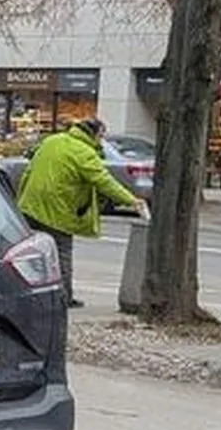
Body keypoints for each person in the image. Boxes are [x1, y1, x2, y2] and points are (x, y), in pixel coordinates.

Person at [14, 115, 146, 307]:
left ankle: (30, 293)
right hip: (57, 210)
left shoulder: (52, 141)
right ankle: (64, 297)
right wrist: (132, 200)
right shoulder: (84, 152)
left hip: (30, 205)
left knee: (31, 252)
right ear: (93, 134)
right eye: (101, 135)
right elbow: (104, 182)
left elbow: (29, 171)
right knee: (62, 253)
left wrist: (21, 200)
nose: (102, 140)